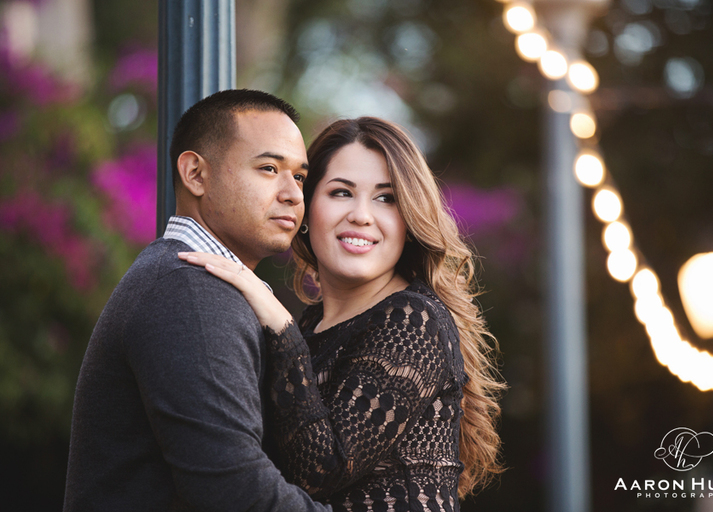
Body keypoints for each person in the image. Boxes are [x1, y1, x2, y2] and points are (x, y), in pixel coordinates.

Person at [179, 117, 505, 512]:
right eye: (341, 193)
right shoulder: (310, 326)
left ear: (409, 221)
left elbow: (321, 469)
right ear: (305, 207)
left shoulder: (414, 320)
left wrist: (278, 325)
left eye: (386, 198)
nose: (362, 216)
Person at [64, 89, 331, 512]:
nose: (294, 195)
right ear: (195, 174)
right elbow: (236, 493)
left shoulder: (199, 284)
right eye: (268, 168)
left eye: (299, 176)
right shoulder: (190, 291)